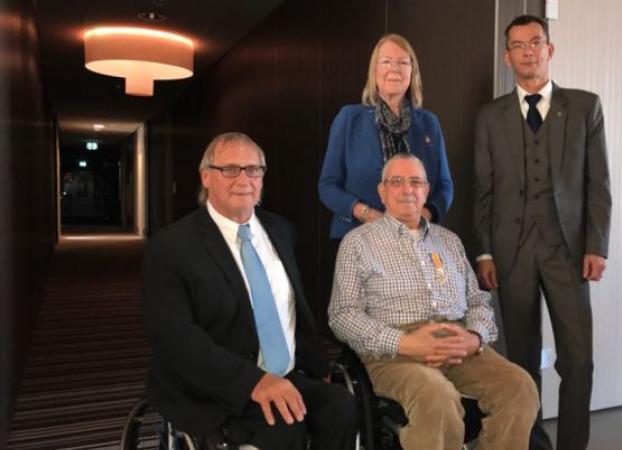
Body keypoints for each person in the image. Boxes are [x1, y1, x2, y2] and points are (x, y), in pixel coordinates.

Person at [142, 132, 357, 450]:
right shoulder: (172, 245)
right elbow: (173, 337)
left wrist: (316, 363)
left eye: (253, 169)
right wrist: (252, 382)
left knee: (339, 405)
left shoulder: (281, 230)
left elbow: (292, 305)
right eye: (229, 169)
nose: (243, 178)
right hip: (213, 385)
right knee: (284, 425)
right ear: (206, 177)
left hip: (285, 374)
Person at [329, 153, 538, 450]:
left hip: (458, 343)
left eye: (415, 181)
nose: (407, 189)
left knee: (520, 387)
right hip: (395, 352)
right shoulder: (358, 242)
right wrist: (405, 342)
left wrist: (475, 338)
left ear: (426, 191)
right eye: (396, 181)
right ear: (382, 191)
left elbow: (479, 301)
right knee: (437, 398)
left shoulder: (449, 241)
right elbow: (342, 315)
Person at [472, 15, 612, 450]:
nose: (528, 51)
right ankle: (533, 443)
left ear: (549, 50)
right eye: (518, 44)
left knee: (579, 360)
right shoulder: (490, 116)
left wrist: (597, 245)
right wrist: (484, 254)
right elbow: (483, 189)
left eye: (536, 42)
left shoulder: (585, 107)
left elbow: (599, 184)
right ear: (507, 55)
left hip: (568, 252)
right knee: (521, 361)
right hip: (510, 254)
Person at [318, 33, 454, 239]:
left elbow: (445, 187)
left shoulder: (429, 123)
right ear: (375, 71)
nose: (395, 69)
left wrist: (421, 217)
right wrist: (368, 215)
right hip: (359, 236)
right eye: (386, 61)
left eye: (403, 62)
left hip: (417, 239)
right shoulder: (349, 118)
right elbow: (328, 185)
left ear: (412, 72)